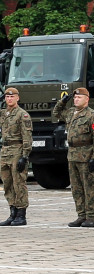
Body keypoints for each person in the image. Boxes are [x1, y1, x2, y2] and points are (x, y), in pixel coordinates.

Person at [51, 88, 94, 227]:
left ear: (87, 99)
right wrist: (62, 102)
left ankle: (91, 216)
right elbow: (56, 113)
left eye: (79, 97)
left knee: (88, 186)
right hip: (72, 154)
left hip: (86, 153)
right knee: (76, 187)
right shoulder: (71, 113)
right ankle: (81, 215)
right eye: (75, 97)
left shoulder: (93, 115)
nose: (76, 99)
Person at [0, 87, 32, 226]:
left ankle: (21, 214)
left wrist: (24, 156)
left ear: (17, 98)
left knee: (19, 183)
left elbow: (27, 137)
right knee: (7, 183)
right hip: (5, 150)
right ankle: (12, 212)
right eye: (7, 97)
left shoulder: (22, 115)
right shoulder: (3, 114)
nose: (9, 99)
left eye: (12, 97)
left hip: (17, 149)